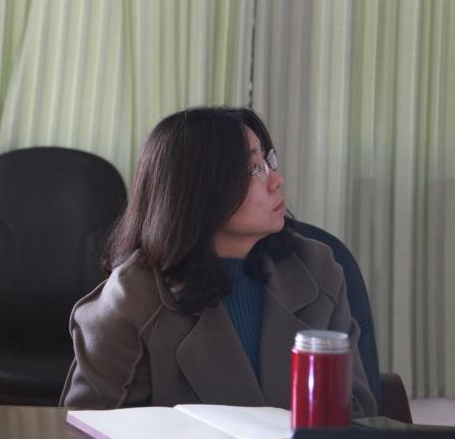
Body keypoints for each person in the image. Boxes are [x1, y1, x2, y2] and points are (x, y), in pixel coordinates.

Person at [60, 107, 376, 416]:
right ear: (197, 190)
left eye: (268, 161)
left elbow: (358, 412)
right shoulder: (133, 296)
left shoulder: (316, 268)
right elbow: (86, 428)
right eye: (254, 169)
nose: (276, 180)